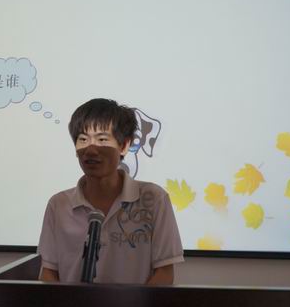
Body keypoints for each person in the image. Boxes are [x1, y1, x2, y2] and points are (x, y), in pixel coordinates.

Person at [37, 98, 184, 284]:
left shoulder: (154, 199)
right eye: (83, 139)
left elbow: (164, 272)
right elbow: (48, 272)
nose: (91, 150)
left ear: (124, 146)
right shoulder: (58, 204)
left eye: (102, 139)